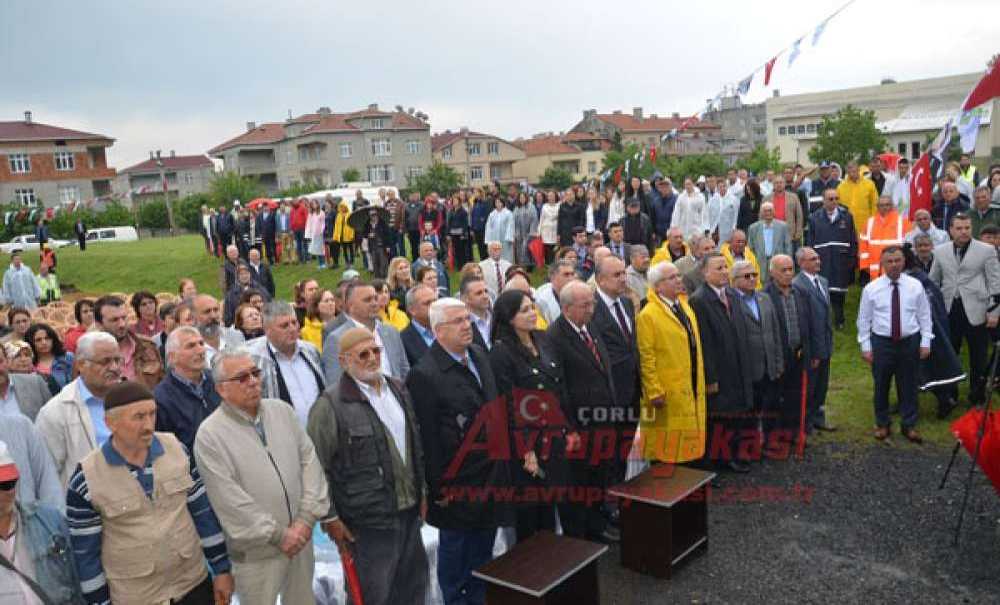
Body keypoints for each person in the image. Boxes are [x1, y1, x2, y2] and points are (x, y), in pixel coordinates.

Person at [66, 381, 234, 605]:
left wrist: (222, 570)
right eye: (138, 417)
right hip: (136, 598)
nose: (148, 425)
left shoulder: (178, 449)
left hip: (192, 586)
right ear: (110, 423)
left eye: (152, 414)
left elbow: (203, 513)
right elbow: (86, 557)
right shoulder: (86, 479)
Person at [194, 350, 327, 605]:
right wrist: (279, 534)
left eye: (255, 373)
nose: (253, 382)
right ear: (222, 389)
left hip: (301, 543)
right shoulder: (210, 435)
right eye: (242, 378)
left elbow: (310, 463)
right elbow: (229, 500)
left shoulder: (282, 412)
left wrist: (306, 520)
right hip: (257, 556)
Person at [308, 328, 429, 605]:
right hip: (366, 524)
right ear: (343, 361)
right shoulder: (330, 405)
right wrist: (330, 519)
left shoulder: (398, 389)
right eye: (363, 354)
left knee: (412, 590)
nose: (372, 358)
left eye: (376, 351)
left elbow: (414, 447)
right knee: (373, 595)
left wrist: (422, 492)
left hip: (409, 515)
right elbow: (315, 468)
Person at [406, 298, 504, 604]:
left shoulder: (477, 354)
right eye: (458, 321)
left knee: (483, 556)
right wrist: (440, 488)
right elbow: (429, 441)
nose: (467, 326)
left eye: (468, 320)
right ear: (438, 331)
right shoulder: (425, 374)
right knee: (457, 563)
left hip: (491, 475)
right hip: (457, 487)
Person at [487, 290, 575, 541]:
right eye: (524, 310)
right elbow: (508, 407)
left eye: (532, 307)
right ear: (509, 317)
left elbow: (558, 387)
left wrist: (567, 429)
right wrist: (526, 450)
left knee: (551, 509)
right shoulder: (501, 353)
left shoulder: (543, 339)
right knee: (530, 518)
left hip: (553, 438)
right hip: (528, 446)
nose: (532, 313)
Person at [546, 281, 616, 541]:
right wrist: (570, 427)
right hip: (581, 425)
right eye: (585, 304)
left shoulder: (590, 327)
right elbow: (559, 387)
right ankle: (583, 536)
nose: (591, 308)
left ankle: (598, 524)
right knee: (582, 482)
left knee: (600, 476)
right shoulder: (555, 337)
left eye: (593, 303)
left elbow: (602, 367)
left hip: (604, 419)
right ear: (566, 308)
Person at [857, 246, 932, 442]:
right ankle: (882, 424)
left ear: (904, 262)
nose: (894, 265)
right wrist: (866, 346)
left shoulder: (915, 286)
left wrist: (925, 341)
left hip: (909, 341)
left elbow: (924, 315)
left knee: (908, 384)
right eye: (889, 261)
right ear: (882, 264)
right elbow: (863, 320)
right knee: (881, 384)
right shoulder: (871, 289)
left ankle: (909, 425)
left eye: (897, 260)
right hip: (882, 343)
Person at [636, 261, 707, 463]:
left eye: (678, 275)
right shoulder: (648, 315)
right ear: (658, 286)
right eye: (672, 277)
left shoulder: (685, 306)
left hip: (690, 383)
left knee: (688, 440)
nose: (679, 280)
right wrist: (654, 390)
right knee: (667, 447)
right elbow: (646, 356)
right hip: (666, 391)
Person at [688, 253, 753, 473]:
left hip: (737, 366)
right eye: (719, 268)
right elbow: (704, 343)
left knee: (736, 414)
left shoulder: (733, 295)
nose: (725, 271)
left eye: (726, 266)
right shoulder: (699, 300)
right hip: (719, 371)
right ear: (705, 273)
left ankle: (732, 456)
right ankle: (716, 462)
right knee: (719, 419)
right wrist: (711, 377)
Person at [0, 441, 83, 604]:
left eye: (9, 483)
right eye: (3, 484)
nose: (8, 492)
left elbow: (78, 582)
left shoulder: (49, 522)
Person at [930, 213, 1000, 405]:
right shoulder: (940, 251)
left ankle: (976, 395)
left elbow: (996, 283)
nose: (963, 232)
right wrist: (933, 311)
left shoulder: (986, 250)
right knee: (949, 354)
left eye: (967, 228)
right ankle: (949, 395)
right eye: (959, 228)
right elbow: (933, 282)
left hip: (977, 310)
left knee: (978, 356)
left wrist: (994, 312)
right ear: (951, 230)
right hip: (948, 310)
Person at [732, 259, 784, 455]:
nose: (753, 279)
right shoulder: (731, 302)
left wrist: (778, 362)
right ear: (735, 279)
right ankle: (750, 448)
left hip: (768, 366)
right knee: (748, 413)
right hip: (748, 369)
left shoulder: (764, 298)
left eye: (754, 274)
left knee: (769, 406)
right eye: (747, 276)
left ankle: (767, 442)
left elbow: (775, 332)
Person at [244, 302, 325, 426]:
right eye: (284, 326)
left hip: (322, 432)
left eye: (294, 322)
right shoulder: (256, 360)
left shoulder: (310, 351)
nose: (292, 329)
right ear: (267, 330)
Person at [590, 256, 639, 440]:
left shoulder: (626, 303)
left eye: (624, 273)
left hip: (633, 389)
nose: (623, 279)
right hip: (610, 393)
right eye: (617, 275)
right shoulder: (592, 309)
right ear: (600, 280)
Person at [323, 282, 409, 384]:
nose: (374, 303)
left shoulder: (390, 331)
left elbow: (404, 370)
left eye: (376, 298)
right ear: (351, 306)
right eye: (367, 300)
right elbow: (336, 383)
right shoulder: (337, 339)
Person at [152, 326, 221, 452]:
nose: (200, 350)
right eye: (191, 346)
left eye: (201, 343)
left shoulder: (219, 380)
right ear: (172, 357)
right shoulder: (161, 398)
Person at [794, 247, 837, 433]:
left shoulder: (823, 282)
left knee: (822, 385)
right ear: (801, 263)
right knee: (810, 386)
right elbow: (806, 321)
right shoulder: (798, 285)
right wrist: (812, 350)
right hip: (813, 346)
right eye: (813, 259)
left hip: (826, 343)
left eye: (818, 258)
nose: (818, 261)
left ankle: (819, 417)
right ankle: (806, 422)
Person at [807, 188, 858, 329]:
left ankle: (839, 320)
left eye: (836, 198)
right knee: (823, 291)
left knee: (839, 291)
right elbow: (810, 242)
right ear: (823, 200)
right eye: (831, 199)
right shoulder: (814, 217)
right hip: (822, 259)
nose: (834, 202)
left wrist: (852, 259)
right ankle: (823, 321)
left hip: (841, 258)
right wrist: (811, 260)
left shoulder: (847, 216)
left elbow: (853, 239)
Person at [94, 295, 164, 390]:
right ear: (99, 325)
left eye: (124, 318)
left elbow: (161, 383)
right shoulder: (91, 354)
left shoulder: (147, 346)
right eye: (114, 320)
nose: (122, 324)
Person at [859, 195, 911, 281]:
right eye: (882, 205)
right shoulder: (869, 223)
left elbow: (909, 246)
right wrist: (865, 266)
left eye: (887, 204)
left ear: (892, 206)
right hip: (874, 273)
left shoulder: (903, 222)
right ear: (877, 207)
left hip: (897, 271)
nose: (885, 207)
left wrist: (905, 266)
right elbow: (863, 247)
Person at [0, 338, 53, 421]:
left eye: (0, 361)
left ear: (6, 360)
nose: (23, 359)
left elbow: (53, 417)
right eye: (17, 356)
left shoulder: (36, 382)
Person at [748, 202, 792, 285]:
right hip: (760, 262)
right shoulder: (753, 228)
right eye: (765, 211)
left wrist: (787, 263)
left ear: (774, 212)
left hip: (778, 263)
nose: (768, 213)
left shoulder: (783, 226)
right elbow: (750, 248)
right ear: (761, 213)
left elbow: (788, 246)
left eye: (770, 210)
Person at [193, 294, 245, 364]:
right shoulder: (190, 345)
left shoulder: (236, 336)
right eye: (207, 312)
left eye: (216, 310)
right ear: (194, 317)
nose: (213, 316)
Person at [400, 284, 438, 367]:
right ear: (412, 310)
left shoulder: (448, 329)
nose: (434, 306)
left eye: (435, 301)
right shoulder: (402, 340)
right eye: (427, 303)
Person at [26, 323, 74, 390]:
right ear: (31, 343)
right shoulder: (29, 365)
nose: (44, 342)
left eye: (47, 338)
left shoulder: (68, 357)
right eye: (38, 340)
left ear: (53, 339)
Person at [764, 175, 804, 252]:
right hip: (772, 233)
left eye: (781, 182)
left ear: (785, 184)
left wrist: (798, 233)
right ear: (773, 185)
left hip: (790, 234)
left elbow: (799, 216)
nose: (779, 185)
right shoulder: (766, 198)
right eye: (776, 183)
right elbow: (761, 217)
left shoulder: (793, 197)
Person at [460, 275, 492, 350]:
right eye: (479, 293)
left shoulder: (497, 319)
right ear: (465, 298)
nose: (485, 296)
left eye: (486, 291)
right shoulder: (461, 326)